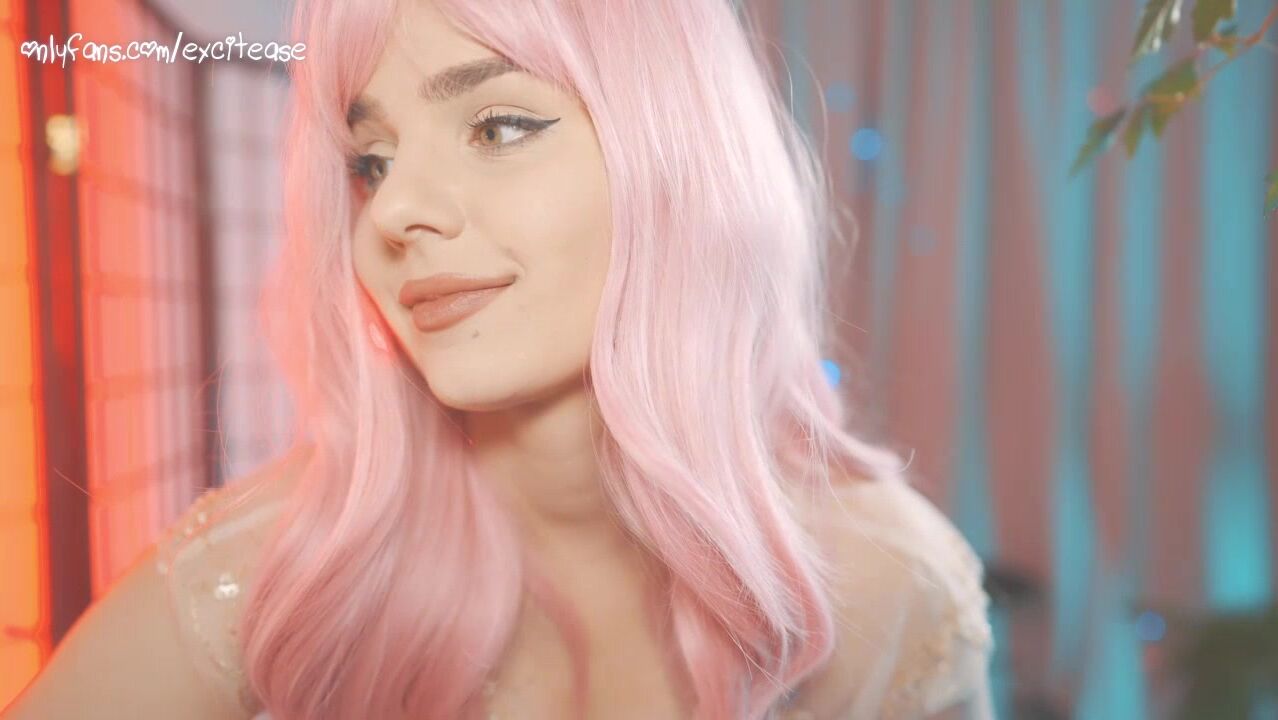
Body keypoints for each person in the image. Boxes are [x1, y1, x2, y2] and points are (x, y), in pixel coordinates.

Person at [2, 0, 995, 718]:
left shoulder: (889, 586)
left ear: (680, 159)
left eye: (498, 126)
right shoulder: (286, 566)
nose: (393, 210)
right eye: (370, 162)